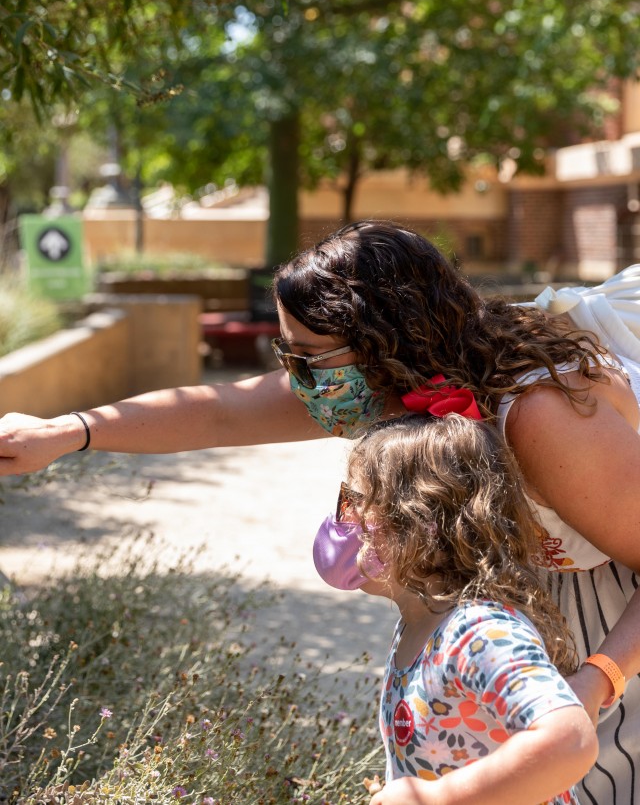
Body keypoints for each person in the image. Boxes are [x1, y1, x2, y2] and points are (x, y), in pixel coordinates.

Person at [0, 219, 639, 803]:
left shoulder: (540, 415)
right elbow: (217, 411)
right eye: (287, 356)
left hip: (617, 625)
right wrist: (65, 433)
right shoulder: (387, 382)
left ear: (385, 341)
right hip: (538, 611)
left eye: (307, 357)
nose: (295, 377)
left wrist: (594, 683)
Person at [313, 412, 598, 805]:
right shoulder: (421, 622)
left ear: (417, 522)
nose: (340, 521)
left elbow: (570, 739)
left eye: (352, 502)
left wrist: (437, 798)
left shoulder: (480, 632)